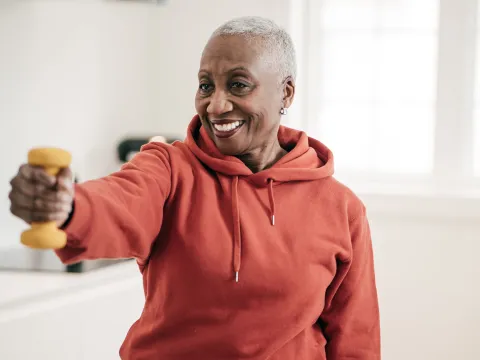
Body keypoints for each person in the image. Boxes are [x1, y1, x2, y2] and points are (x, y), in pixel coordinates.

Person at [8, 16, 380, 360]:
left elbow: (355, 340)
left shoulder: (341, 209)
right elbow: (121, 200)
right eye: (206, 85)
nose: (216, 105)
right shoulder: (169, 168)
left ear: (285, 93)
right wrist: (67, 207)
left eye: (238, 84)